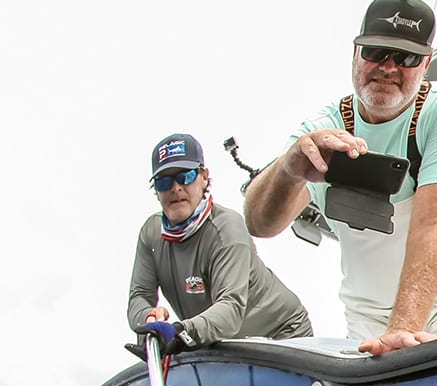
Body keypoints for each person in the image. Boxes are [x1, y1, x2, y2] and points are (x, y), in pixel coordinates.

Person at [244, 0, 437, 355]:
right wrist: (290, 170)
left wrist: (402, 333)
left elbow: (433, 224)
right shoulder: (322, 128)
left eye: (407, 57)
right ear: (355, 52)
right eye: (376, 52)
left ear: (427, 63)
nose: (388, 67)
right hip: (365, 326)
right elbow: (260, 223)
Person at [129, 133, 313, 348]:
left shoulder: (227, 229)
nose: (175, 188)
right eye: (164, 181)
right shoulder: (151, 234)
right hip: (218, 342)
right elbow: (139, 295)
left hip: (283, 334)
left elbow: (231, 307)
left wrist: (182, 332)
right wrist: (148, 317)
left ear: (204, 177)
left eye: (185, 176)